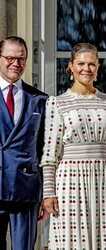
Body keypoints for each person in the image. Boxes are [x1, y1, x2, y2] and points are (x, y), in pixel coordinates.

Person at [40, 42, 106, 249]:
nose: (86, 69)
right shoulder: (57, 103)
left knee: (102, 238)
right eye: (81, 64)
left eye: (91, 64)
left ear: (98, 67)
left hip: (103, 180)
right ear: (70, 66)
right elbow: (50, 153)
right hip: (69, 180)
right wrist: (48, 192)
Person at [0, 36, 48, 250]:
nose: (15, 64)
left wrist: (46, 193)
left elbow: (44, 149)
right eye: (10, 58)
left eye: (21, 59)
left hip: (26, 189)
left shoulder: (40, 99)